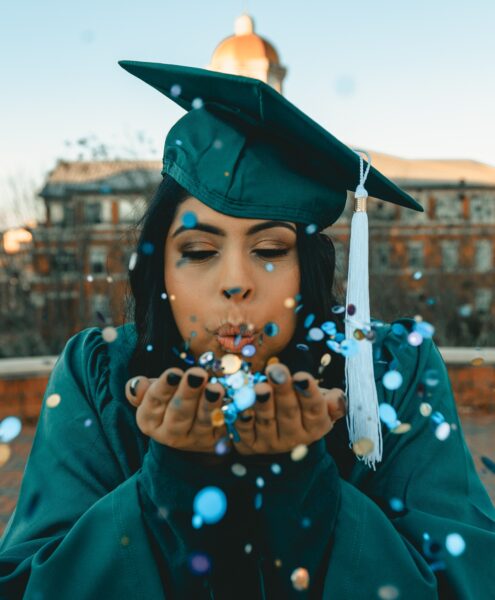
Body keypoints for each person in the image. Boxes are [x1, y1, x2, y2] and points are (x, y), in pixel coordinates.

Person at [0, 62, 494, 600]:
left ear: (308, 266)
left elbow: (465, 581)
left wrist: (307, 491)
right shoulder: (102, 376)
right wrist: (166, 488)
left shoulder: (389, 372)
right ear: (159, 267)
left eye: (269, 250)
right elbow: (31, 584)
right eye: (198, 251)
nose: (235, 284)